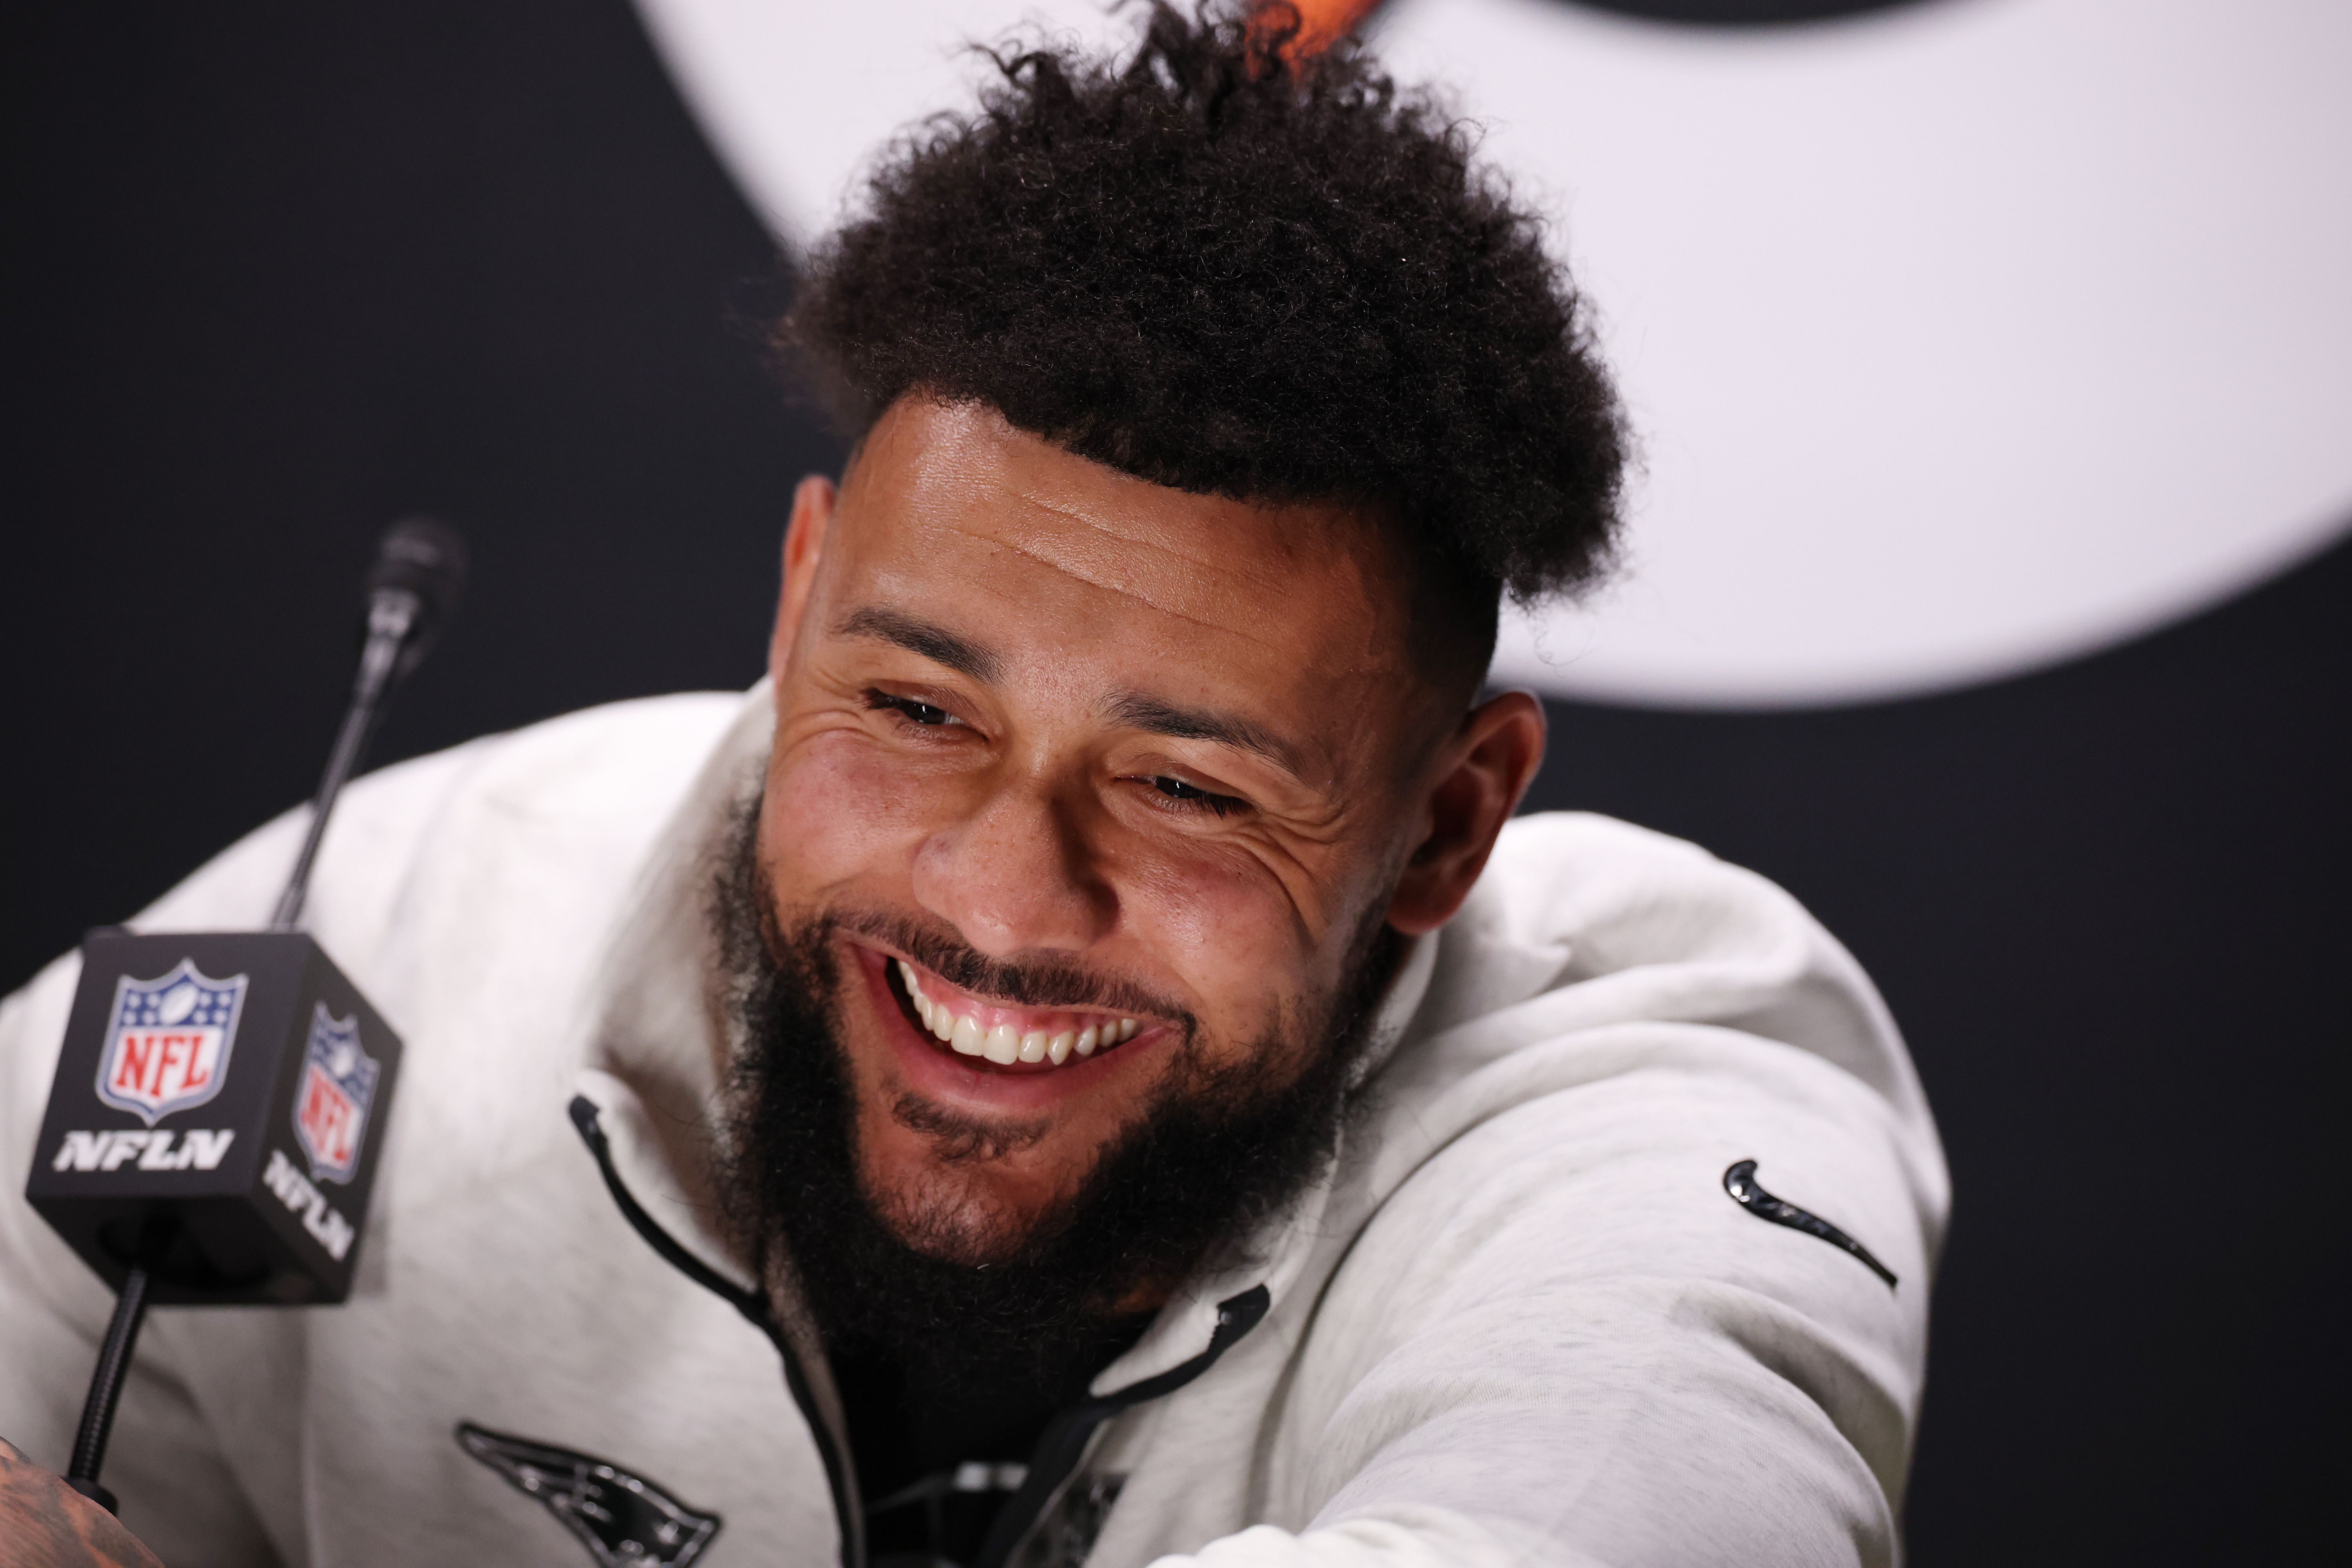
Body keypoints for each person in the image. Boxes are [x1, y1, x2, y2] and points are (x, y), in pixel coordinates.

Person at [0, 6, 1945, 1564]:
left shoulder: (1671, 1075)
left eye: (1188, 787)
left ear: (1447, 821)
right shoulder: (390, 935)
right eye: (919, 709)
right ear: (796, 602)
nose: (1005, 903)